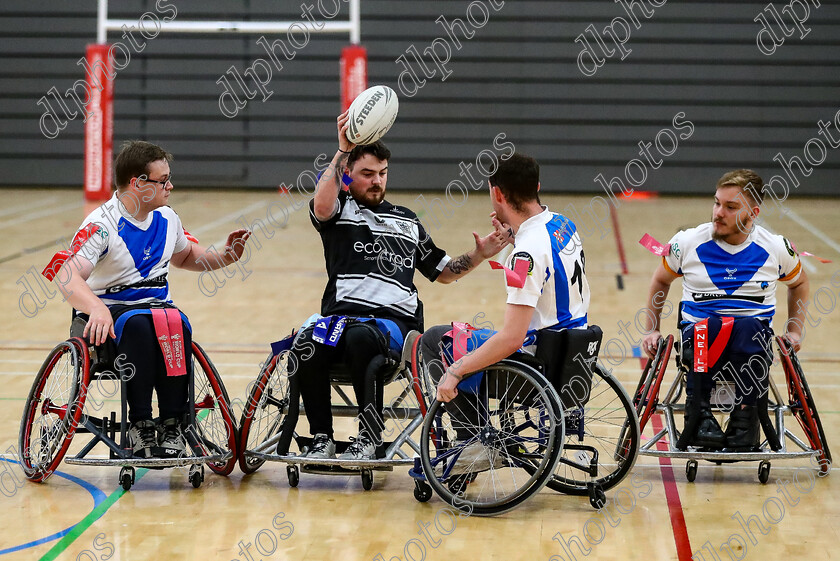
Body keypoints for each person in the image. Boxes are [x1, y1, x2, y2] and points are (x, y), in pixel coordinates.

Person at [292, 111, 508, 461]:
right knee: (306, 341)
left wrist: (479, 254)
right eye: (367, 174)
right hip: (340, 320)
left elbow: (443, 271)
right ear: (349, 174)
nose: (377, 181)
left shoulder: (407, 220)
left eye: (382, 173)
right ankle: (322, 438)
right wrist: (342, 150)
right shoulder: (339, 211)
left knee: (360, 337)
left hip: (393, 327)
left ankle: (368, 437)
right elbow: (321, 203)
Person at [48, 140, 251, 458]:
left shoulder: (167, 218)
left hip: (158, 313)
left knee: (176, 322)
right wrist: (96, 308)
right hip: (108, 317)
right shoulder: (102, 226)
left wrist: (225, 256)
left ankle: (173, 423)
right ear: (138, 183)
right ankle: (140, 424)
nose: (170, 186)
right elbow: (67, 276)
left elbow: (187, 257)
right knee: (141, 325)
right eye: (163, 180)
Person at [420, 152, 592, 472]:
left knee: (437, 341)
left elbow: (512, 337)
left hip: (537, 362)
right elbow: (546, 269)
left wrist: (458, 370)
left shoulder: (525, 253)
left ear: (497, 194)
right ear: (536, 187)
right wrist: (515, 238)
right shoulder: (563, 225)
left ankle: (475, 444)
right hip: (573, 347)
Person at [640, 169, 809, 451]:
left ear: (753, 213)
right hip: (701, 339)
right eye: (717, 203)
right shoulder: (688, 242)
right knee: (709, 327)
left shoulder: (775, 248)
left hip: (751, 342)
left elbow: (800, 282)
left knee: (748, 327)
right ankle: (699, 415)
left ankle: (746, 418)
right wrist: (651, 329)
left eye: (730, 207)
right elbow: (660, 280)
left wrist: (794, 330)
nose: (719, 212)